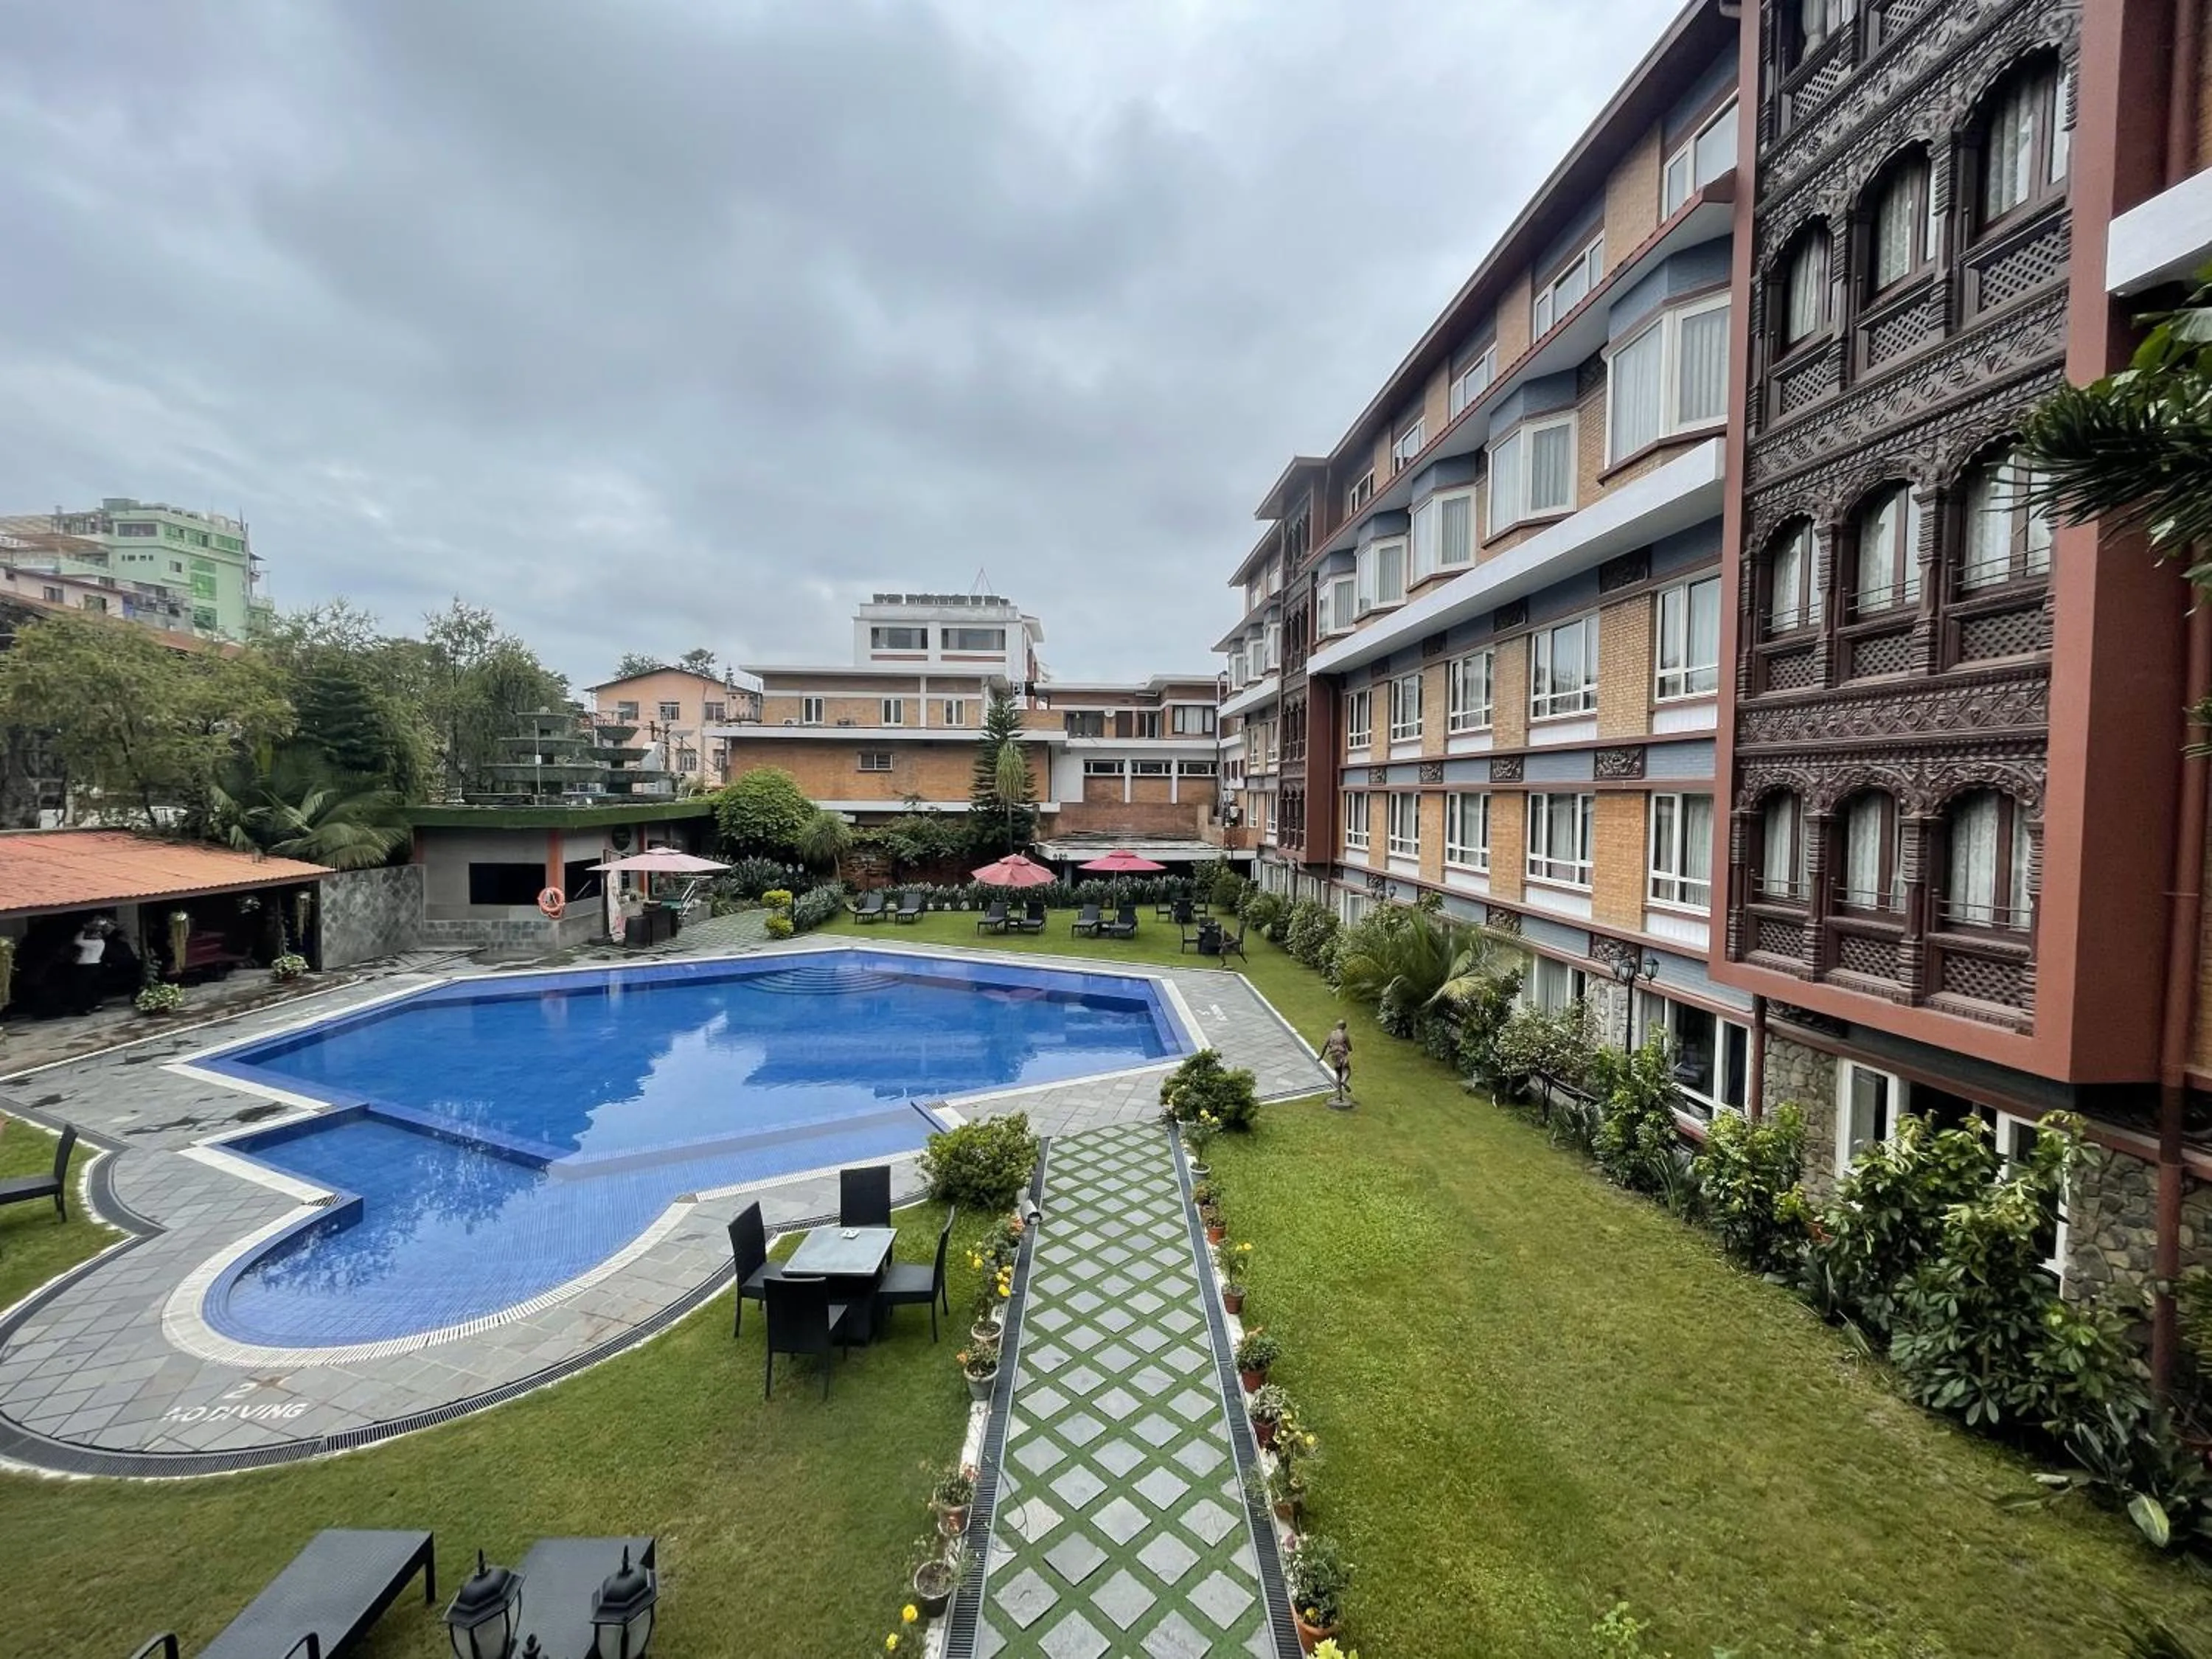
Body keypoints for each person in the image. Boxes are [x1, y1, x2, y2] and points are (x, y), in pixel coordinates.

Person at [70, 916, 110, 1015]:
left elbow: (77, 941)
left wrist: (83, 931)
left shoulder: (97, 943)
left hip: (87, 966)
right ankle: (94, 1005)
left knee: (83, 988)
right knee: (91, 987)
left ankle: (84, 1008)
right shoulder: (98, 942)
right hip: (93, 965)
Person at [1321, 1018, 1353, 1107]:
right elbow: (1350, 1048)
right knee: (1347, 1070)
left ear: (1337, 1026)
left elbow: (1325, 1046)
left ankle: (1339, 1096)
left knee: (1338, 1075)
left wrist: (1320, 1057)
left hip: (1334, 1057)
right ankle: (1344, 1081)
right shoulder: (1344, 1035)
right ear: (1345, 1027)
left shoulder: (1332, 1034)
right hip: (1342, 1056)